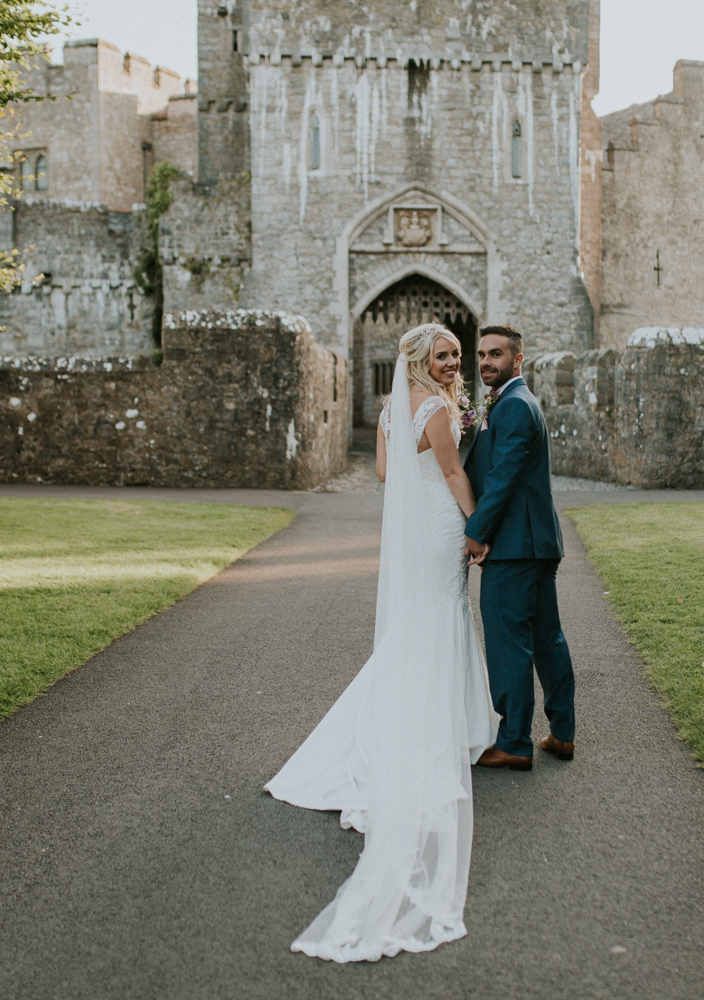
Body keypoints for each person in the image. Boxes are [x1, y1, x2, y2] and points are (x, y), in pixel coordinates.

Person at [265, 323, 499, 963]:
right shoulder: (438, 411)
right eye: (443, 356)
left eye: (457, 354)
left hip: (415, 528)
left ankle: (424, 722)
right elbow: (452, 475)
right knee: (442, 621)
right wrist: (478, 528)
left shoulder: (398, 408)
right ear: (420, 362)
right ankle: (444, 729)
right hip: (444, 525)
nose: (454, 363)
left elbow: (384, 469)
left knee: (423, 626)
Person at [462, 326, 577, 771]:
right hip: (535, 543)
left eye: (496, 354)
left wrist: (476, 531)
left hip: (513, 546)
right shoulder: (514, 401)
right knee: (547, 638)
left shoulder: (512, 405)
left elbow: (502, 477)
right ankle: (562, 734)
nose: (487, 361)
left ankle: (513, 742)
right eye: (482, 355)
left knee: (510, 644)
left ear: (518, 359)